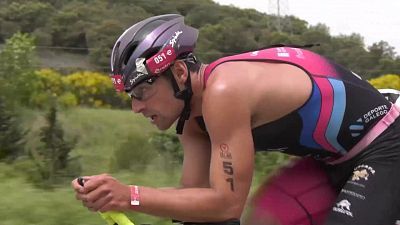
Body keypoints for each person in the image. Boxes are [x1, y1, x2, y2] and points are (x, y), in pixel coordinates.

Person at [72, 14, 400, 225]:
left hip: (384, 144)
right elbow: (197, 207)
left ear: (179, 72)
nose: (136, 107)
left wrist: (128, 194)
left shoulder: (224, 92)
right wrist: (113, 196)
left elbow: (226, 205)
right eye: (130, 96)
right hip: (332, 157)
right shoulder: (192, 120)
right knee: (267, 218)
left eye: (141, 91)